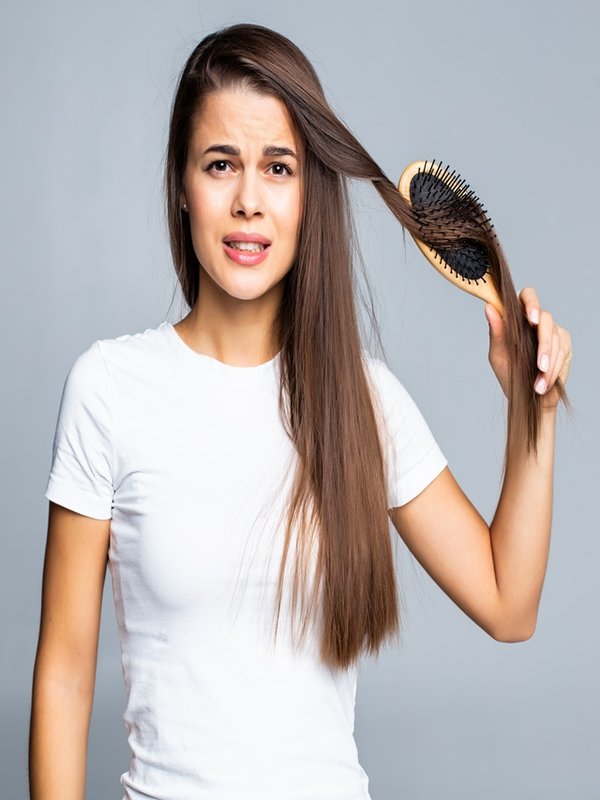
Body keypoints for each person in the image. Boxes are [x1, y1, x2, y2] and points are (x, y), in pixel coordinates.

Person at [29, 22, 573, 800]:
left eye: (278, 168)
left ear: (309, 193)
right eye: (221, 164)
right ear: (182, 185)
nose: (248, 201)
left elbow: (509, 605)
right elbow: (64, 676)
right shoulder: (109, 389)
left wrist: (532, 413)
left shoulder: (362, 400)